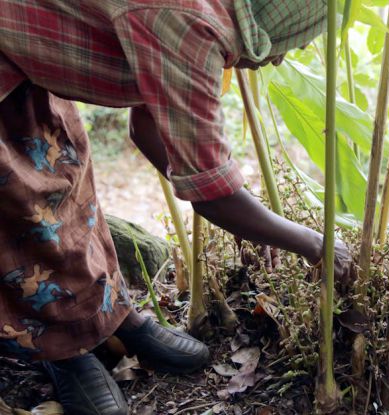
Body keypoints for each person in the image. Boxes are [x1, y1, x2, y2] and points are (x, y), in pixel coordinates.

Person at [0, 1, 350, 414]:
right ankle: (64, 350)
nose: (285, 57)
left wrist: (243, 219)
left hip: (33, 52)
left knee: (67, 175)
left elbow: (146, 125)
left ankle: (112, 317)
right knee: (24, 204)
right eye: (292, 42)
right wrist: (315, 243)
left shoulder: (201, 19)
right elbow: (213, 193)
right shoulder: (193, 27)